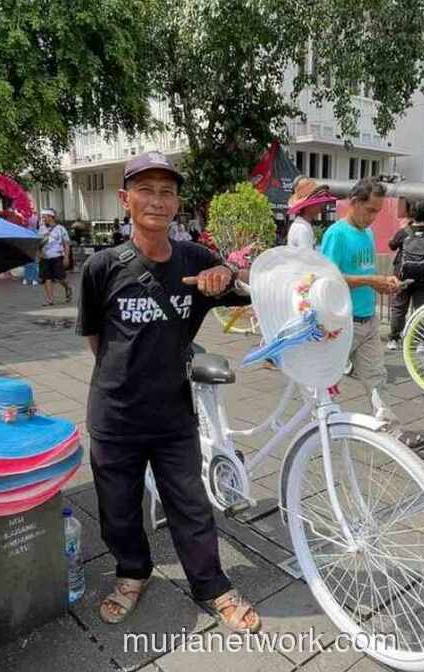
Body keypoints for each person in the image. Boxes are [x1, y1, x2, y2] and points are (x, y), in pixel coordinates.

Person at [76, 151, 261, 634]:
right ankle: (131, 574)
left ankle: (212, 585)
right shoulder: (101, 267)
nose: (157, 200)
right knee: (117, 507)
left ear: (177, 202)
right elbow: (98, 339)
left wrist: (226, 278)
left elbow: (241, 293)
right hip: (115, 413)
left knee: (191, 504)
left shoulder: (195, 259)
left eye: (167, 191)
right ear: (125, 199)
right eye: (145, 190)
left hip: (174, 413)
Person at [320, 178, 422, 448]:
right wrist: (370, 281)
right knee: (325, 379)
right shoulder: (336, 234)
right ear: (354, 203)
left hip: (368, 319)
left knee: (377, 377)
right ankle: (320, 429)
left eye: (378, 211)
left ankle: (392, 430)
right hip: (342, 322)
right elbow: (327, 279)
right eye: (370, 210)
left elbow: (364, 273)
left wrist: (382, 285)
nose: (374, 217)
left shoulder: (367, 233)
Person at [387, 201, 424, 351]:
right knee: (421, 309)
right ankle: (421, 342)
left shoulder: (404, 231)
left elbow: (392, 245)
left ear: (412, 214)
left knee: (399, 308)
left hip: (403, 276)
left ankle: (394, 339)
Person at [285, 178, 335, 250]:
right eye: (317, 203)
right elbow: (307, 258)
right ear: (309, 206)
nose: (321, 205)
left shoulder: (300, 225)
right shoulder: (303, 229)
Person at [39, 214, 72, 305]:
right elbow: (38, 242)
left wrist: (66, 257)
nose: (43, 219)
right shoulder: (41, 229)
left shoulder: (60, 229)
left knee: (60, 278)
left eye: (45, 217)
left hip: (57, 256)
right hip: (45, 257)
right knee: (47, 278)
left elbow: (66, 243)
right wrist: (39, 252)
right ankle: (50, 299)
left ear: (51, 217)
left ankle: (67, 287)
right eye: (42, 217)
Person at [21, 213, 43, 286]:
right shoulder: (36, 231)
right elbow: (39, 242)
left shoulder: (24, 231)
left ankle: (26, 279)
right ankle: (34, 279)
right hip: (34, 250)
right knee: (34, 265)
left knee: (27, 265)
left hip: (26, 250)